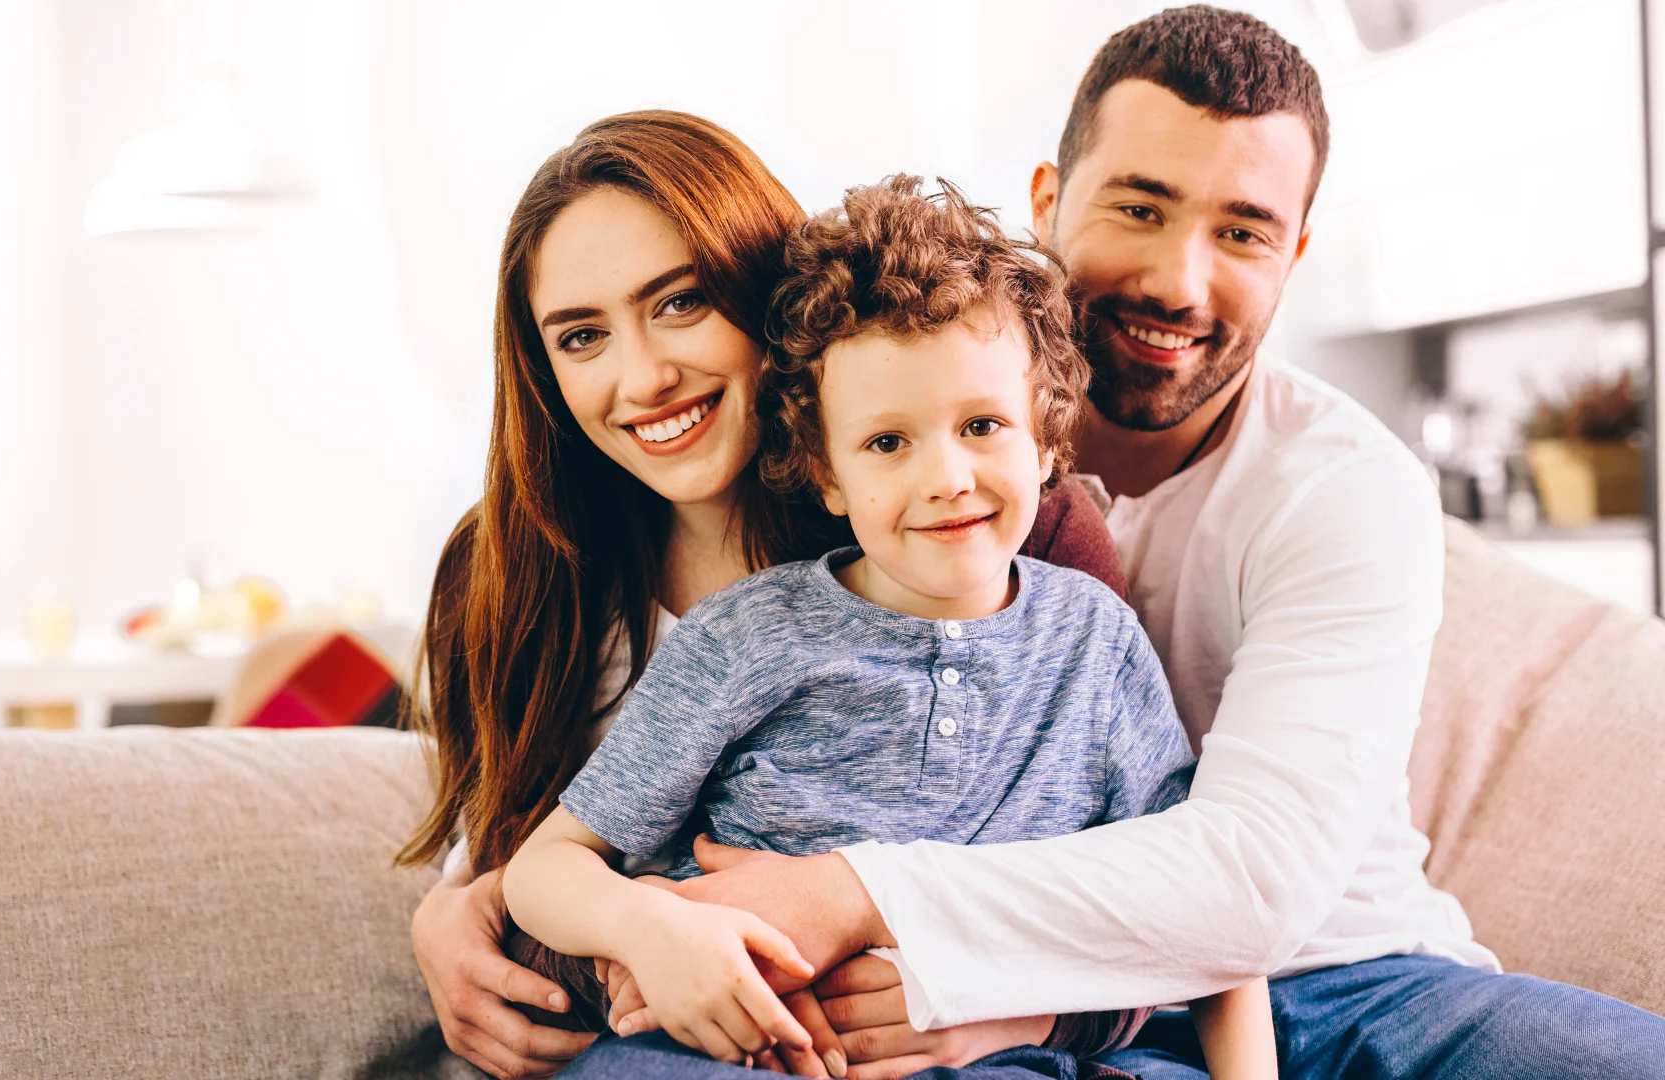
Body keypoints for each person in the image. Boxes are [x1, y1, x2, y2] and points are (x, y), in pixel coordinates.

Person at [563, 8, 1665, 1080]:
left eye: (1244, 232)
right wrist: (521, 911)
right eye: (1140, 208)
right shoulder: (895, 454)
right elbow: (622, 815)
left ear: (1295, 253)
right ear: (1048, 199)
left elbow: (1253, 884)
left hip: (1348, 976)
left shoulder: (1345, 487)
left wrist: (870, 903)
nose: (1179, 281)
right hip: (1084, 1016)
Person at [402, 110, 1126, 1080]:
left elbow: (1146, 869)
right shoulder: (510, 569)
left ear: (766, 293)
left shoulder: (999, 532)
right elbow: (526, 850)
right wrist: (459, 905)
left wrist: (1023, 1004)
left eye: (681, 302)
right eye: (581, 337)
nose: (644, 378)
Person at [503, 176, 1275, 1080]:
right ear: (826, 476)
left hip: (1010, 1055)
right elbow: (544, 869)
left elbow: (1203, 914)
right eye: (886, 443)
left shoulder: (1095, 643)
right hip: (752, 1053)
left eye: (982, 424)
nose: (946, 478)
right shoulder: (744, 637)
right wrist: (655, 931)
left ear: (1047, 440)